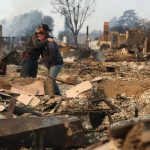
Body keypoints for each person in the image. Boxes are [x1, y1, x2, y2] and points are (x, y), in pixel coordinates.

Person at [37, 24, 63, 95]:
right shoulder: (44, 41)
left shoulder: (49, 41)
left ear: (43, 35)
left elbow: (53, 50)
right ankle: (57, 93)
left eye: (39, 36)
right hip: (52, 63)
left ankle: (57, 94)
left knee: (51, 80)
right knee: (51, 79)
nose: (38, 37)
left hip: (55, 63)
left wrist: (49, 62)